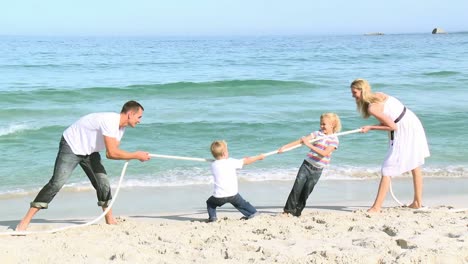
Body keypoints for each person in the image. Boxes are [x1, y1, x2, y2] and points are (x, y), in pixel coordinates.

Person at [16, 100, 151, 231]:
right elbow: (111, 153)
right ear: (130, 114)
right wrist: (136, 155)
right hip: (71, 146)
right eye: (139, 117)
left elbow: (114, 151)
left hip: (89, 151)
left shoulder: (121, 129)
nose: (140, 120)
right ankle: (25, 221)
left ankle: (109, 218)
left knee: (102, 183)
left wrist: (135, 155)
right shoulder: (110, 121)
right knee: (56, 183)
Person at [350, 78, 430, 212]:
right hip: (411, 122)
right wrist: (372, 126)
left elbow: (392, 126)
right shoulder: (379, 95)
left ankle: (376, 207)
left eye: (354, 93)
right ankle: (417, 202)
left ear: (362, 91)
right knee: (415, 164)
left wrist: (371, 127)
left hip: (404, 128)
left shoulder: (372, 107)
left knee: (387, 168)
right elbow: (392, 118)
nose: (353, 96)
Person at [279, 113, 341, 217]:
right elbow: (300, 141)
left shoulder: (334, 140)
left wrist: (309, 144)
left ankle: (297, 212)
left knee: (306, 191)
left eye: (324, 124)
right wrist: (285, 147)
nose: (321, 126)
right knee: (297, 188)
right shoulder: (317, 134)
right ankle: (288, 210)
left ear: (332, 125)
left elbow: (324, 153)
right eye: (321, 124)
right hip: (306, 165)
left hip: (317, 170)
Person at [206, 140, 264, 222]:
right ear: (224, 153)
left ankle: (213, 218)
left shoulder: (213, 165)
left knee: (210, 203)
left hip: (219, 196)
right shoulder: (231, 162)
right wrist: (259, 157)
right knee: (242, 204)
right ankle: (253, 213)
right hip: (233, 194)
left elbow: (220, 164)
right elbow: (246, 162)